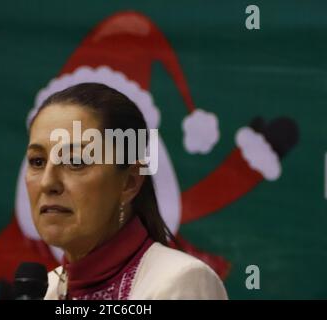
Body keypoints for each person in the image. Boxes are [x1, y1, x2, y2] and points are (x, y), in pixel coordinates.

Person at [25, 82, 228, 300]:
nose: (47, 182)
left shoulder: (181, 282)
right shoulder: (48, 290)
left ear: (129, 182)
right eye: (37, 161)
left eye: (75, 161)